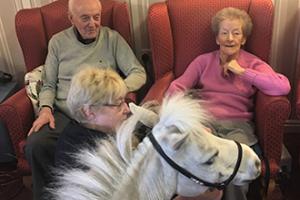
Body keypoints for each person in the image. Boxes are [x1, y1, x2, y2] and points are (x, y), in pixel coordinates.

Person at [24, 0, 146, 199]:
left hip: (97, 113)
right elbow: (48, 84)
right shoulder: (57, 42)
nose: (93, 23)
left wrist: (114, 91)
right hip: (64, 111)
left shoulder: (112, 39)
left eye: (96, 17)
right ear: (71, 18)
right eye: (85, 18)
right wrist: (45, 109)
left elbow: (138, 72)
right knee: (36, 143)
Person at [166, 7, 291, 200]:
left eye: (236, 33)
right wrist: (187, 120)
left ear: (243, 39)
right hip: (205, 123)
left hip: (238, 127)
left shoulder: (253, 63)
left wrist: (241, 71)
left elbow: (282, 86)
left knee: (236, 169)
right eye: (224, 33)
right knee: (197, 163)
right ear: (217, 38)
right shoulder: (203, 61)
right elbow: (178, 86)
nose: (230, 38)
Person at [55, 67, 130, 169]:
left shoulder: (97, 131)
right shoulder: (85, 157)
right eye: (118, 103)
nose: (127, 109)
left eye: (124, 101)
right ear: (88, 111)